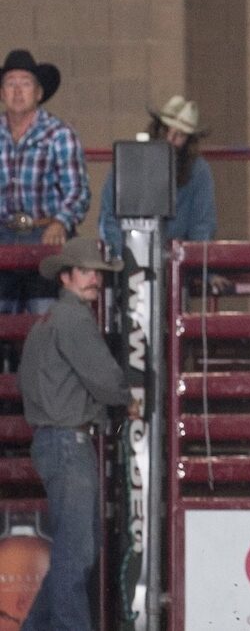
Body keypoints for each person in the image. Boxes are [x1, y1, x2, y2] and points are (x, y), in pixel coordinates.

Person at [16, 237, 139, 631]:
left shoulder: (47, 323)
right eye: (87, 272)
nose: (94, 280)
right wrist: (125, 399)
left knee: (75, 551)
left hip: (53, 440)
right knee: (78, 554)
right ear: (67, 277)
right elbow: (104, 378)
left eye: (96, 273)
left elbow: (29, 381)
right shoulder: (74, 319)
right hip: (69, 442)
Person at [0, 49, 90, 314]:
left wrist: (61, 221)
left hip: (45, 233)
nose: (17, 91)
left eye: (25, 84)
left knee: (46, 316)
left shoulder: (59, 135)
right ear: (2, 92)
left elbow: (78, 191)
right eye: (10, 84)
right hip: (2, 233)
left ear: (39, 93)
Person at [97, 95, 217, 258]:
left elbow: (202, 225)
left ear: (189, 141)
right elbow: (108, 215)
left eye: (180, 135)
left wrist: (194, 265)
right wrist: (123, 256)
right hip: (125, 255)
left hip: (177, 262)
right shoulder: (128, 161)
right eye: (167, 130)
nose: (170, 139)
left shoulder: (198, 171)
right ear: (157, 128)